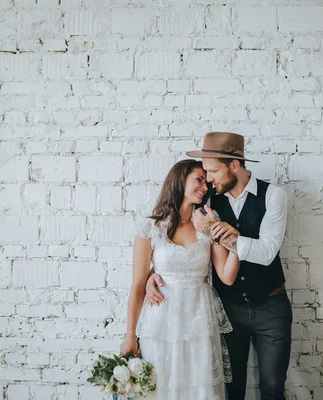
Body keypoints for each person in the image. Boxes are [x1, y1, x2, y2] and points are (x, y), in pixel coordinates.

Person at [146, 132, 293, 400]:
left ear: (234, 165)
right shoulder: (209, 200)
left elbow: (267, 252)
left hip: (272, 307)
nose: (209, 179)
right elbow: (175, 237)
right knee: (231, 388)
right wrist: (152, 275)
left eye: (213, 171)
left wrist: (228, 237)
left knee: (272, 387)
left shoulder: (274, 195)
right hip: (228, 309)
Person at [119, 159, 240, 400]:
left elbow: (226, 276)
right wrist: (130, 335)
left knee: (200, 388)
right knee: (161, 385)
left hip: (199, 319)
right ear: (179, 181)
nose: (205, 187)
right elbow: (137, 285)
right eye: (199, 180)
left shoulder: (208, 221)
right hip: (161, 321)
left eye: (206, 182)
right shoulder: (150, 227)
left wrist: (236, 243)